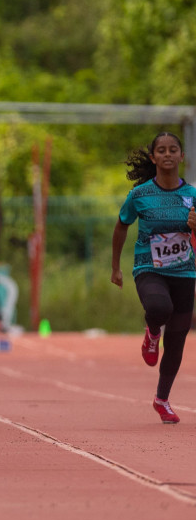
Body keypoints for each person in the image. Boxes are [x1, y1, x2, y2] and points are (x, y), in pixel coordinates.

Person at [111, 132, 196, 425]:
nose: (168, 154)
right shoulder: (140, 195)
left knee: (177, 342)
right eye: (162, 150)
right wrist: (115, 267)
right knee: (160, 309)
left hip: (185, 271)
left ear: (181, 157)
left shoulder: (193, 196)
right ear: (153, 158)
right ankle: (151, 333)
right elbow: (121, 225)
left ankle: (162, 400)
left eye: (174, 150)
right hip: (149, 268)